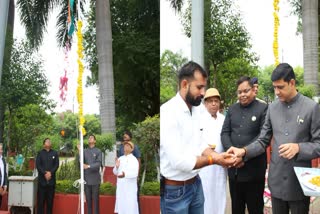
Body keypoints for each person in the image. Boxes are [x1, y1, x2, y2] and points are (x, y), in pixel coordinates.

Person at [228, 63, 320, 214]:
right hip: (276, 181)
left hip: (299, 182)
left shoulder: (311, 108)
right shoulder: (272, 108)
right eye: (274, 87)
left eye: (280, 87)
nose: (276, 92)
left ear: (292, 83)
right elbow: (263, 140)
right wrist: (243, 151)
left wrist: (299, 148)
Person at [160, 61, 236, 214]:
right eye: (199, 87)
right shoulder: (168, 112)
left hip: (195, 184)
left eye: (204, 87)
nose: (203, 93)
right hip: (175, 191)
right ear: (184, 84)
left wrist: (217, 155)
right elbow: (179, 161)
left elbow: (199, 143)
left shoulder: (197, 109)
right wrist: (213, 160)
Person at [221, 76, 268, 214]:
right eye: (239, 92)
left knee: (255, 209)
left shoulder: (264, 109)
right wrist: (231, 155)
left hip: (254, 172)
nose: (242, 95)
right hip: (234, 172)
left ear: (253, 90)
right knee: (236, 208)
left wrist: (243, 156)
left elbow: (262, 138)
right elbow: (225, 133)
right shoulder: (232, 109)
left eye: (245, 91)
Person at [198, 88, 227, 214]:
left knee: (220, 191)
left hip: (221, 163)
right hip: (205, 164)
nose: (214, 103)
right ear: (205, 103)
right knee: (206, 193)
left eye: (216, 101)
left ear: (220, 103)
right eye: (210, 101)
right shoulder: (199, 119)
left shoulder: (223, 119)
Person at [113, 141, 139, 214]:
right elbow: (115, 172)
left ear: (132, 149)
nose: (126, 147)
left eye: (128, 146)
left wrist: (125, 175)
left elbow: (135, 173)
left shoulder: (134, 160)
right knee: (121, 206)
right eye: (125, 146)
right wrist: (117, 167)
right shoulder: (120, 158)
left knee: (130, 207)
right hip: (121, 187)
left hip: (130, 188)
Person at [36, 138, 59, 214]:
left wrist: (50, 173)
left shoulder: (55, 153)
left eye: (49, 141)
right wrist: (45, 173)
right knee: (40, 203)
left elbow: (56, 165)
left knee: (50, 203)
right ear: (44, 144)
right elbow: (38, 165)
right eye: (47, 141)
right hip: (42, 183)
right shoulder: (40, 153)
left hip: (51, 183)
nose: (48, 142)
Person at [80, 134, 102, 214]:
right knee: (88, 202)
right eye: (89, 138)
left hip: (95, 180)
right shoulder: (84, 151)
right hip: (86, 180)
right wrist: (79, 152)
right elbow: (80, 163)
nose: (90, 138)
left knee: (95, 201)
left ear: (95, 141)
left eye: (92, 138)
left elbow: (98, 164)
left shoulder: (98, 151)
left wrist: (88, 166)